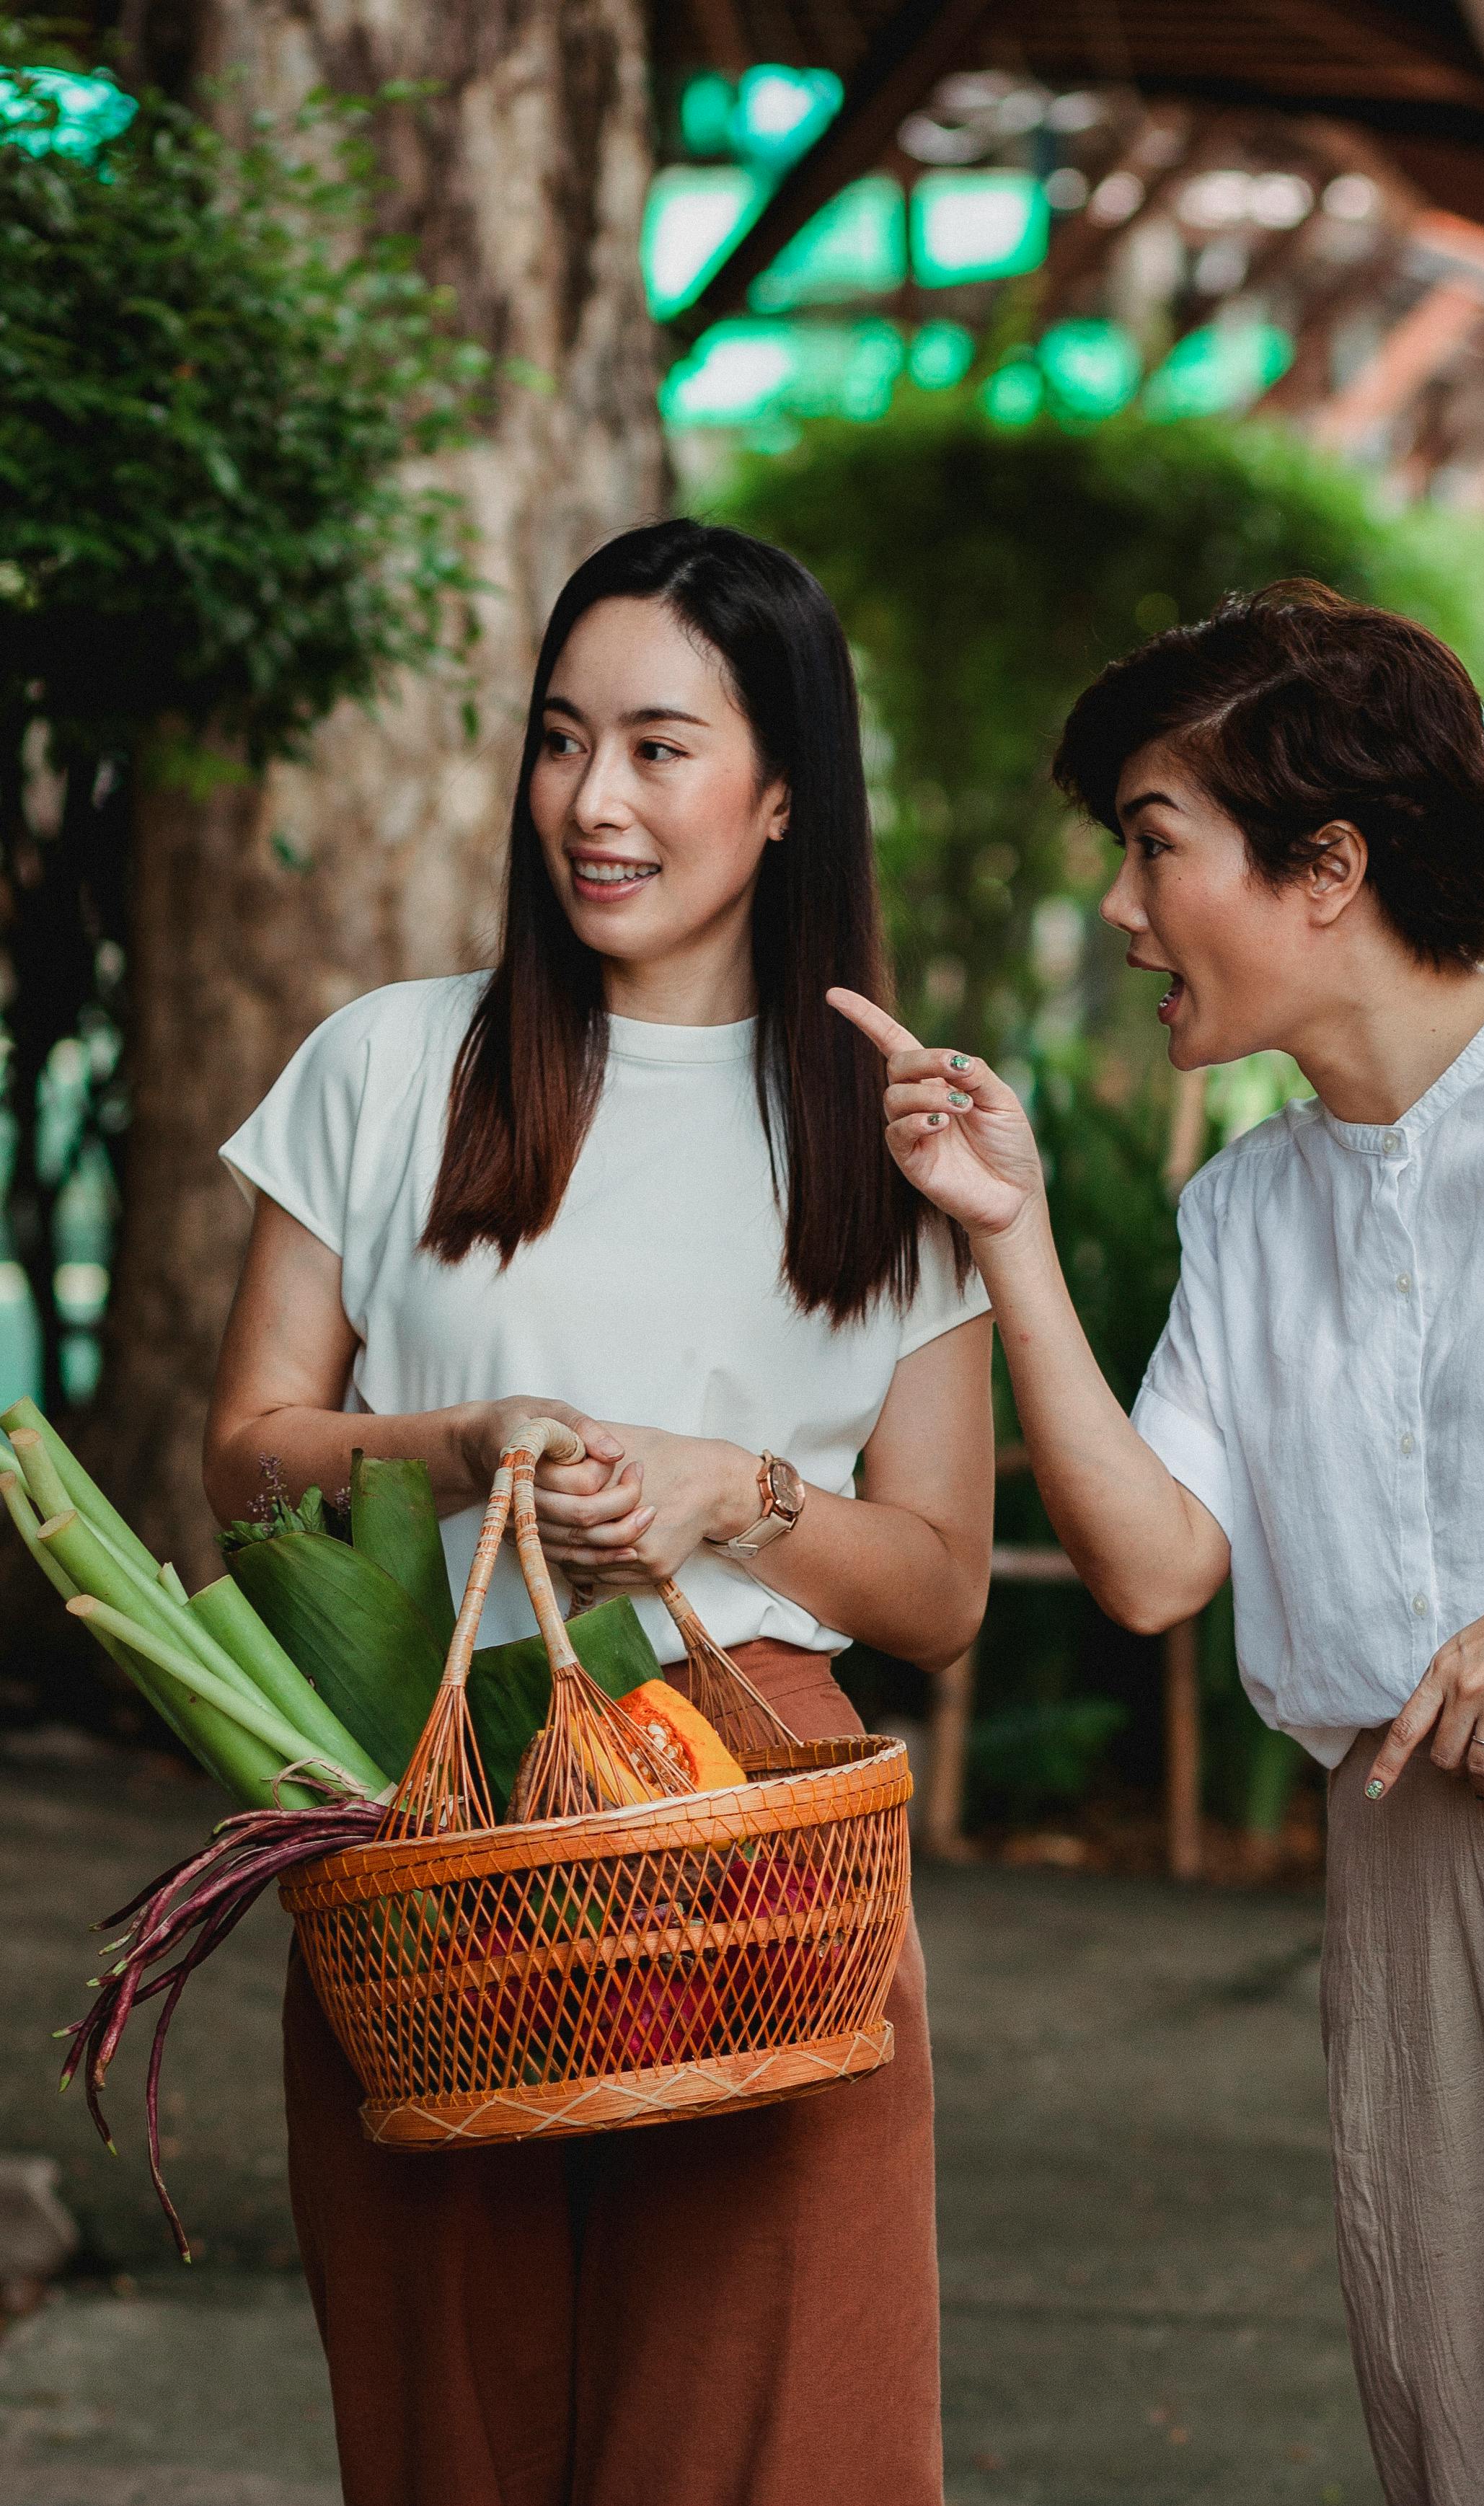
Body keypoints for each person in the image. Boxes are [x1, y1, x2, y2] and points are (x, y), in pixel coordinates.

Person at [834, 581, 1484, 2506]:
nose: (1121, 910)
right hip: (1393, 1838)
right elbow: (1154, 1566)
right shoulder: (1251, 1208)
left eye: (1153, 843)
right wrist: (1011, 1234)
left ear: (1327, 864)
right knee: (1457, 2432)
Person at [203, 519, 993, 2506]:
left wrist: (739, 1495)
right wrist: (461, 1442)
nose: (594, 800)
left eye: (660, 745)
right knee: (449, 2435)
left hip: (764, 1850)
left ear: (786, 783)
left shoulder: (886, 1136)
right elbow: (248, 1459)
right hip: (438, 1839)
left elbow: (941, 1584)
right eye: (564, 741)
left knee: (771, 2443)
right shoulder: (394, 1064)